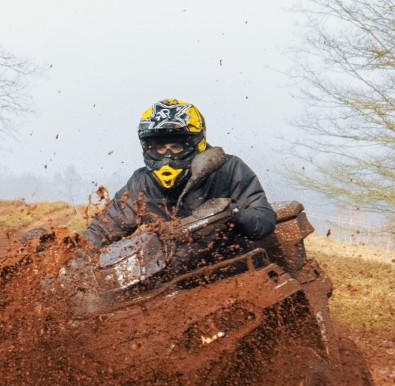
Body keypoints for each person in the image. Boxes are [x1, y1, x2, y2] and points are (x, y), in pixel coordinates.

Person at [83, 99, 276, 268]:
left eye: (176, 146)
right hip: (174, 284)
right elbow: (101, 230)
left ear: (196, 143)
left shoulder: (228, 169)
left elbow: (265, 219)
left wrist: (233, 214)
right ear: (147, 148)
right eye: (159, 147)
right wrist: (72, 258)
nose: (167, 156)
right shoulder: (141, 184)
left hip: (236, 270)